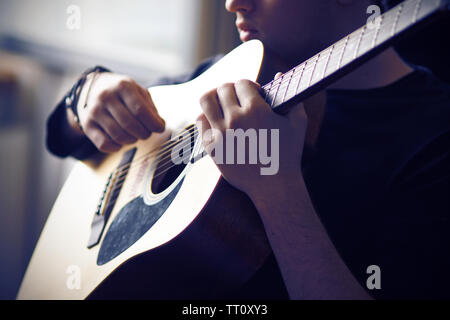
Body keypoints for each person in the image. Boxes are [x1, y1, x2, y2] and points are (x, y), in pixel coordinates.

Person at [46, 0, 450, 299]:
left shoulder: (435, 140)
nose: (232, 3)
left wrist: (277, 190)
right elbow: (63, 138)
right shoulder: (234, 72)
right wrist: (85, 97)